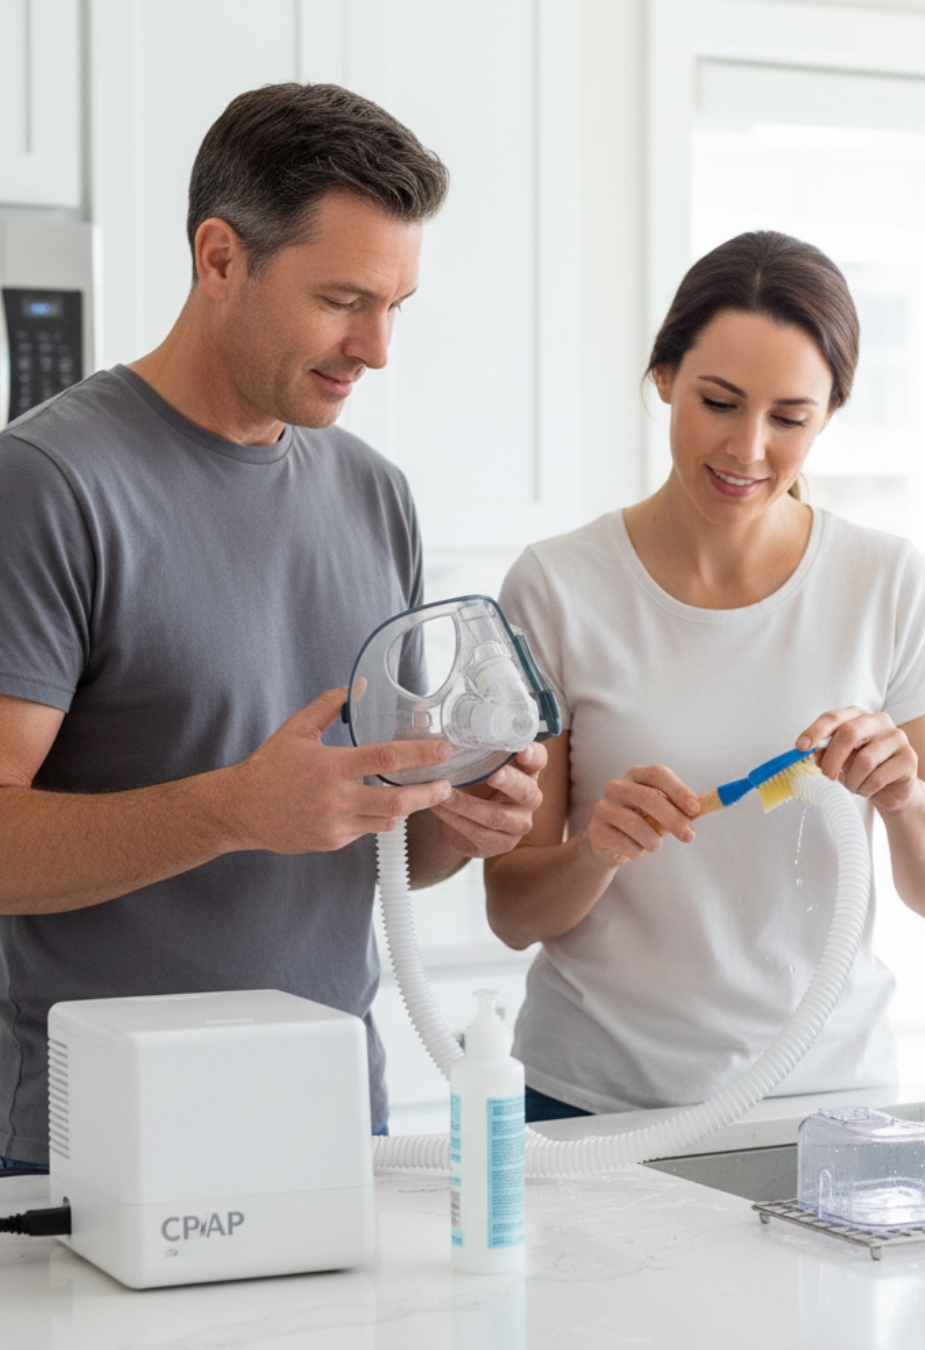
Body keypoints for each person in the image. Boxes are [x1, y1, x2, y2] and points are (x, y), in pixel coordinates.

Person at [0, 83, 546, 1167]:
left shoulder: (375, 494)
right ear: (220, 258)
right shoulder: (49, 485)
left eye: (397, 306)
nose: (376, 348)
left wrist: (460, 819)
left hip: (332, 1121)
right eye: (343, 299)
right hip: (96, 1145)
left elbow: (377, 842)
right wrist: (229, 810)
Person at [485, 231, 925, 1123]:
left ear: (829, 415)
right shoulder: (556, 587)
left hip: (827, 1106)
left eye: (790, 418)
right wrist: (597, 851)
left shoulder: (886, 582)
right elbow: (512, 912)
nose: (748, 448)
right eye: (719, 402)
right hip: (591, 1101)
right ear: (664, 375)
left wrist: (904, 803)